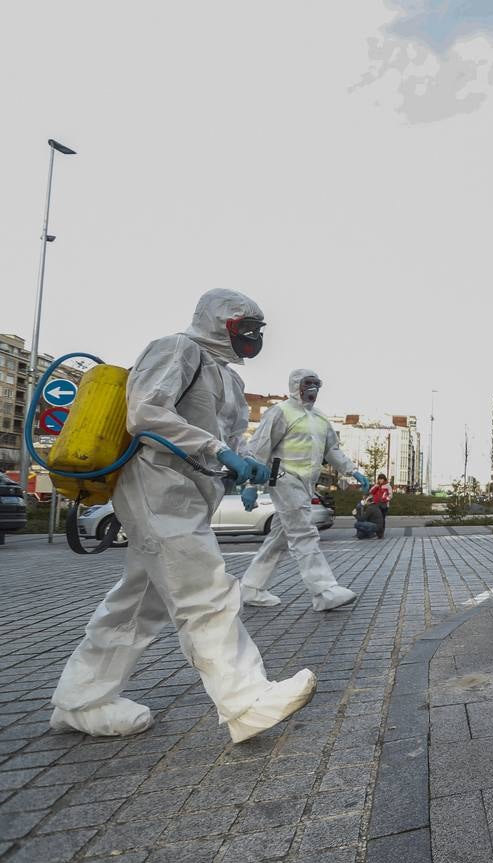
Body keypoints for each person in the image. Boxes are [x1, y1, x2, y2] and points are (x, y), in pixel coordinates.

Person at [49, 289, 316, 743]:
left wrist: (245, 473)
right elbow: (145, 413)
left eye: (256, 330)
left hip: (189, 492)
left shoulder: (227, 378)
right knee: (204, 590)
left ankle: (83, 700)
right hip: (156, 482)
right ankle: (245, 700)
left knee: (139, 602)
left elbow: (228, 437)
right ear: (216, 322)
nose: (251, 337)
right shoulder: (176, 349)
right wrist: (219, 451)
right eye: (242, 328)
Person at [239, 369, 369, 611]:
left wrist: (352, 471)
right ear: (295, 385)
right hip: (284, 477)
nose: (313, 389)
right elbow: (259, 448)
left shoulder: (320, 418)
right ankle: (324, 590)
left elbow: (332, 449)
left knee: (279, 538)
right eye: (308, 383)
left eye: (317, 384)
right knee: (304, 532)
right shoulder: (280, 412)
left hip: (306, 484)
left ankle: (251, 587)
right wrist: (251, 485)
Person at [369, 473, 391, 538]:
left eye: (381, 479)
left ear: (384, 479)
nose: (380, 480)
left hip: (384, 505)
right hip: (376, 505)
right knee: (376, 519)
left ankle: (381, 533)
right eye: (379, 479)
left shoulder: (388, 486)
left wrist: (384, 499)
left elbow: (390, 495)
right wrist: (376, 486)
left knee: (382, 519)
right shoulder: (376, 485)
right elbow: (371, 492)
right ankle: (376, 532)